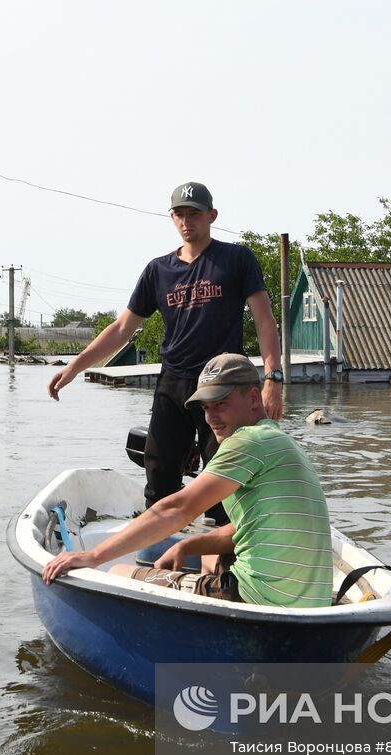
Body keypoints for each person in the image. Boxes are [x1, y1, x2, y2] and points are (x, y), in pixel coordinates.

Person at [47, 182, 285, 513]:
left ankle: (224, 559)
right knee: (159, 474)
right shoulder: (158, 270)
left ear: (211, 216)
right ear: (172, 218)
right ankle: (160, 551)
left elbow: (264, 320)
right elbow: (121, 328)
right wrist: (75, 367)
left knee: (224, 478)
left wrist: (273, 378)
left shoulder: (236, 259)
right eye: (180, 214)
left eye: (195, 214)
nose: (187, 221)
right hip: (174, 382)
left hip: (223, 385)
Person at [42, 354, 333, 608]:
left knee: (116, 571)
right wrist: (186, 546)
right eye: (205, 408)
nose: (211, 418)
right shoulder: (280, 441)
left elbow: (177, 509)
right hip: (309, 602)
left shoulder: (246, 441)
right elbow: (246, 528)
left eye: (220, 403)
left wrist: (92, 556)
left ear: (254, 399)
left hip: (258, 598)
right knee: (207, 556)